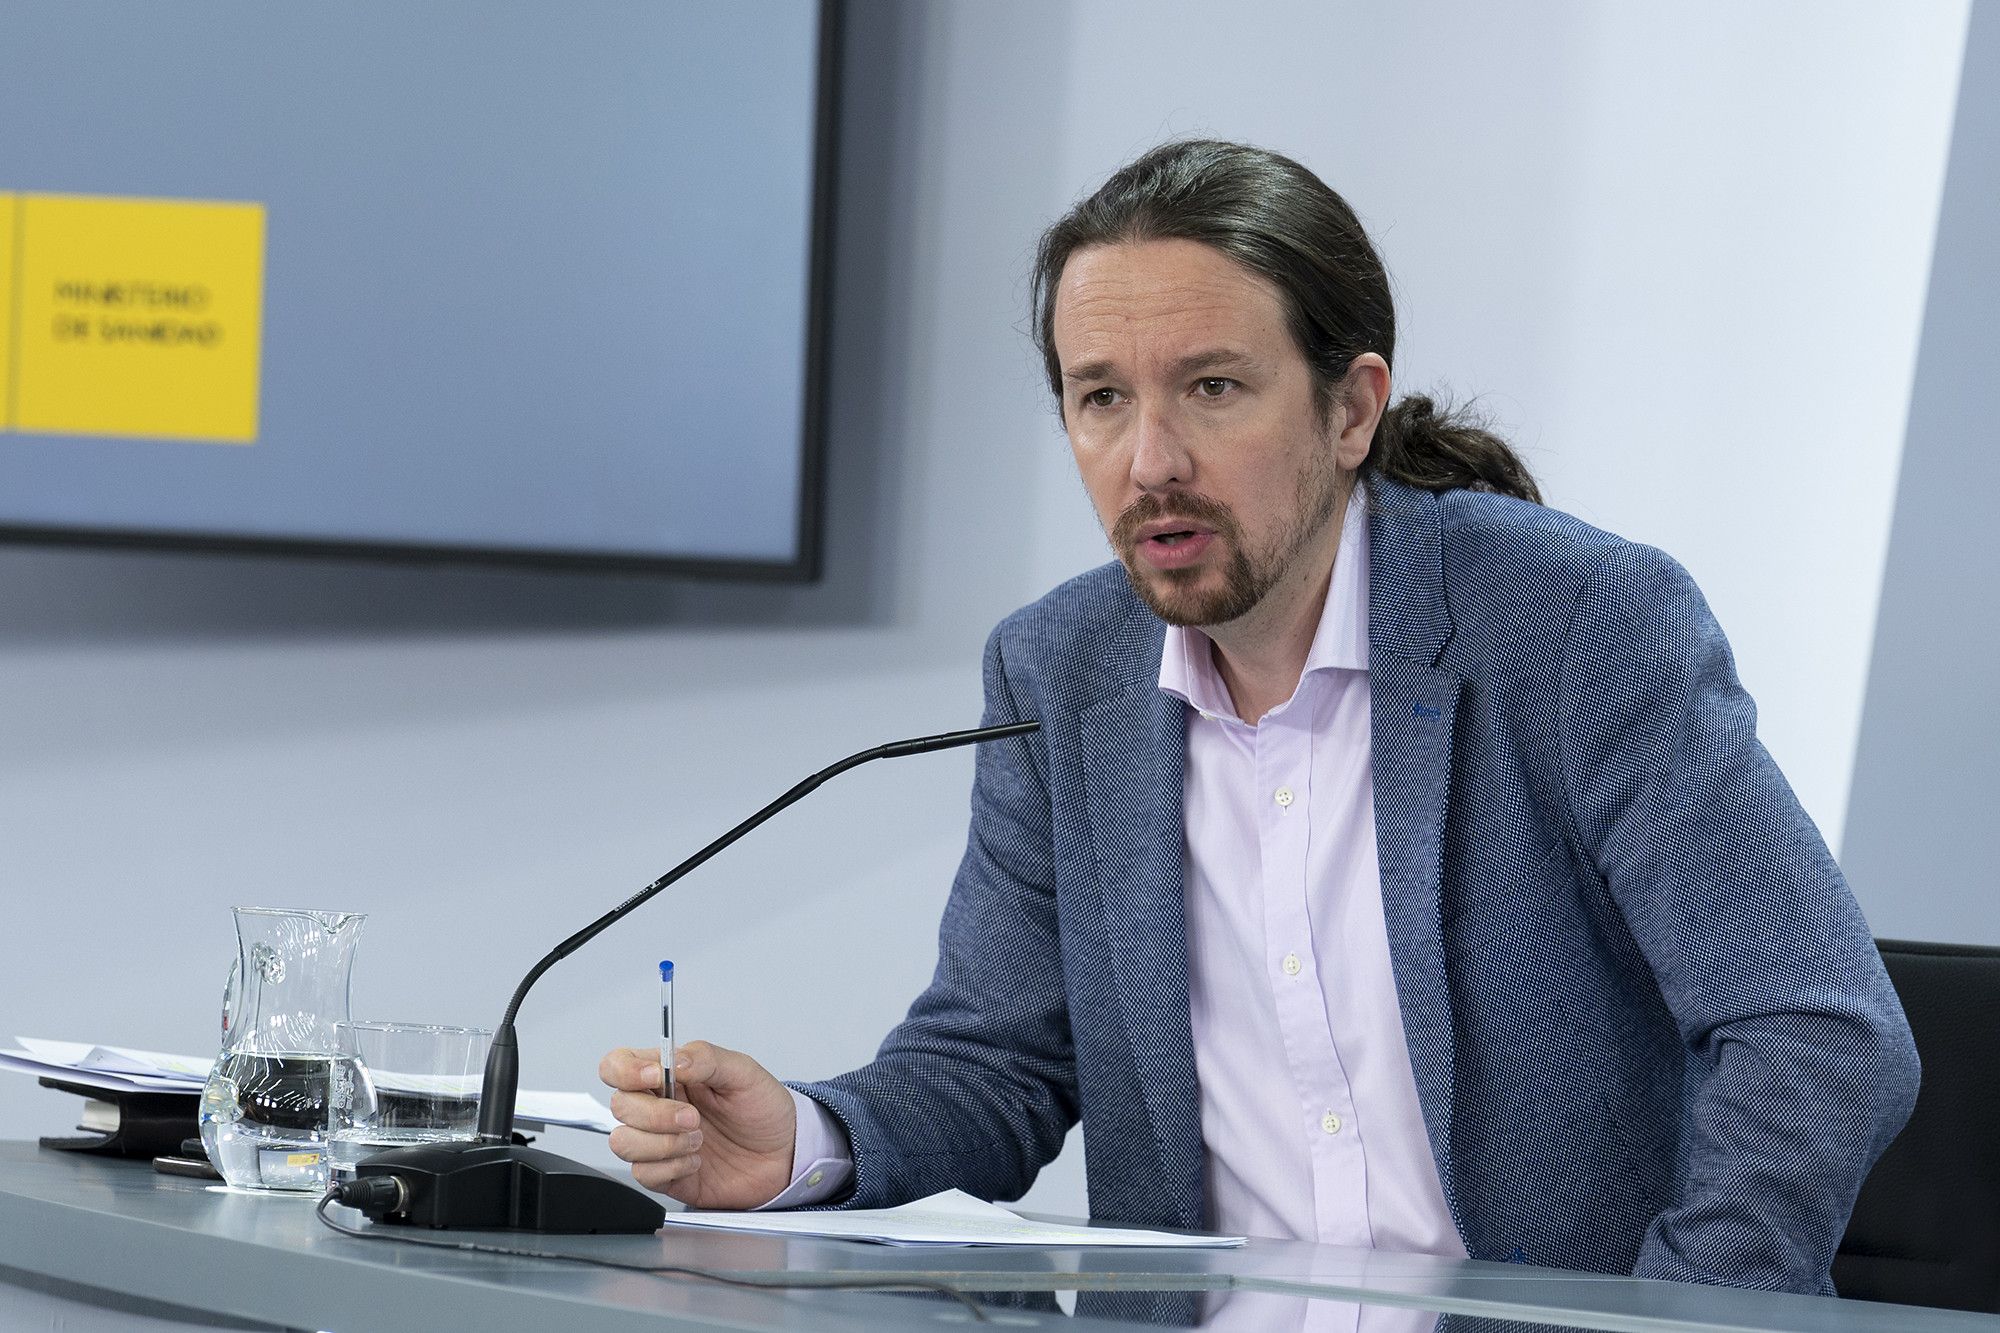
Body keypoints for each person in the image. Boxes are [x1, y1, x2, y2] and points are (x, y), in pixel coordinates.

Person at [599, 140, 1918, 1304]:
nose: (1150, 459)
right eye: (1101, 397)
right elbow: (993, 1064)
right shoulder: (1060, 673)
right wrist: (806, 1141)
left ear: (1350, 408)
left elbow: (1821, 1030)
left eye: (1213, 389)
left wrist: (1668, 1320)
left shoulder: (1576, 627)